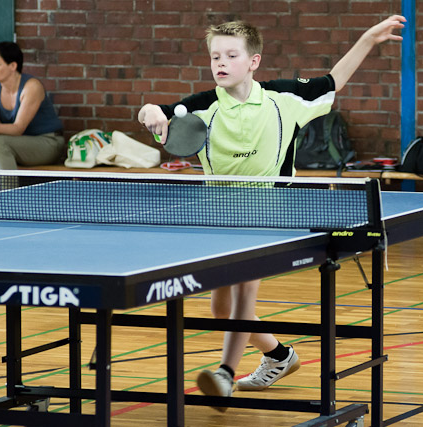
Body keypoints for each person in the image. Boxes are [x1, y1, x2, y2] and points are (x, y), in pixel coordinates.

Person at [138, 16, 406, 411]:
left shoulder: (285, 99)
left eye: (231, 55)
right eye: (215, 56)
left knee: (244, 294)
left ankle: (225, 374)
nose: (221, 62)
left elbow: (333, 81)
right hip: (220, 216)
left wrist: (367, 39)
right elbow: (155, 112)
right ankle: (280, 356)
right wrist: (149, 112)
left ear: (254, 61)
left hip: (270, 212)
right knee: (220, 309)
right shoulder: (201, 107)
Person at [0, 41, 64, 191]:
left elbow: (18, 128)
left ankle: (10, 198)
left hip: (48, 142)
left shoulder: (32, 86)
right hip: (13, 143)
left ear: (12, 66)